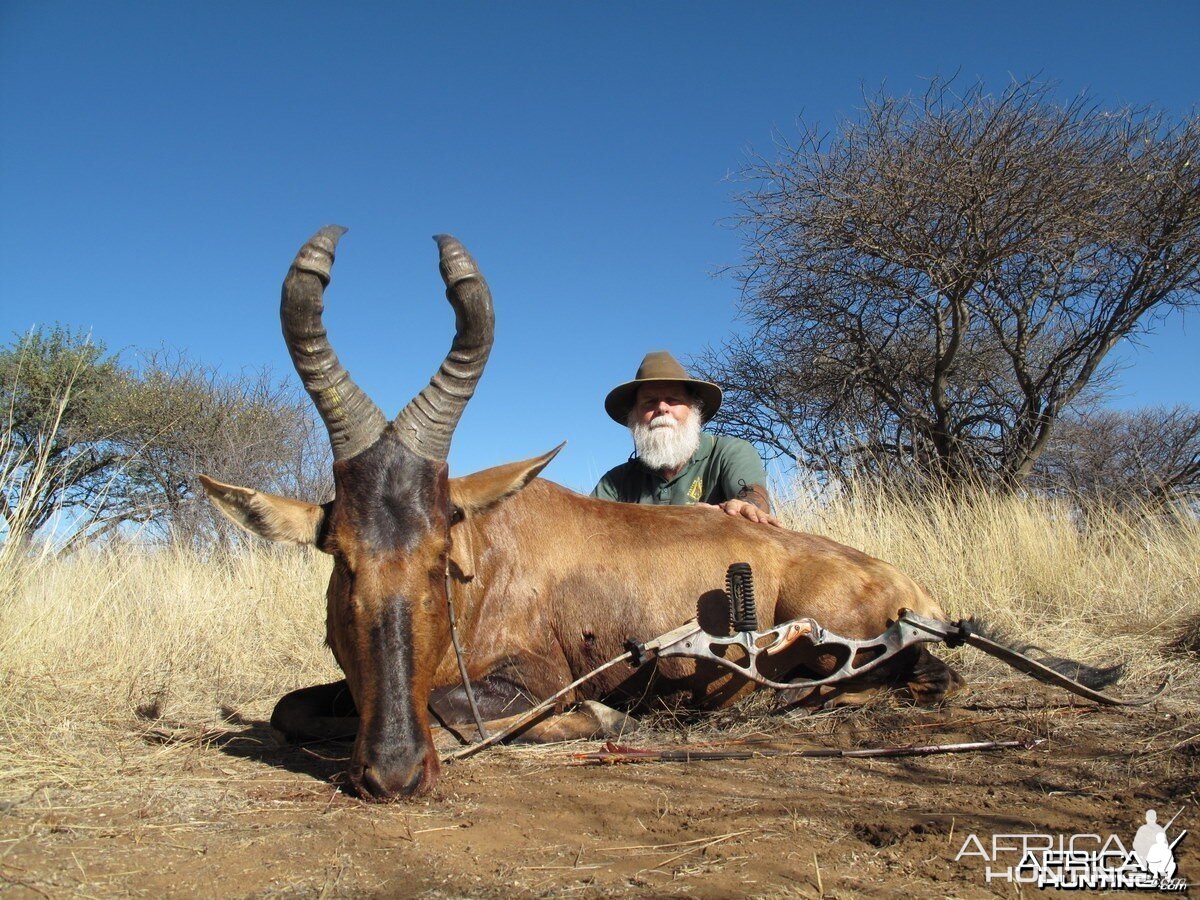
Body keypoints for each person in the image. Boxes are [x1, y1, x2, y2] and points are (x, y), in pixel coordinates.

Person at [591, 351, 779, 526]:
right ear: (634, 416)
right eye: (649, 402)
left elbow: (753, 495)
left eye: (673, 399)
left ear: (694, 408)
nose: (662, 408)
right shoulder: (615, 482)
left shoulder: (729, 452)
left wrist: (746, 506)